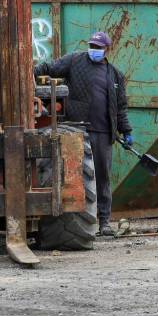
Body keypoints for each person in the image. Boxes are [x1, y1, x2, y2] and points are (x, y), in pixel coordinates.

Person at [34, 31, 132, 236]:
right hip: (77, 128)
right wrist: (31, 72)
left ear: (107, 50)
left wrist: (126, 131)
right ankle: (77, 221)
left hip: (104, 132)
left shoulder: (115, 75)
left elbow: (121, 107)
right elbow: (49, 68)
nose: (94, 50)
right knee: (76, 177)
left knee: (103, 177)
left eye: (98, 48)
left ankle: (104, 221)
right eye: (92, 46)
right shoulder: (75, 61)